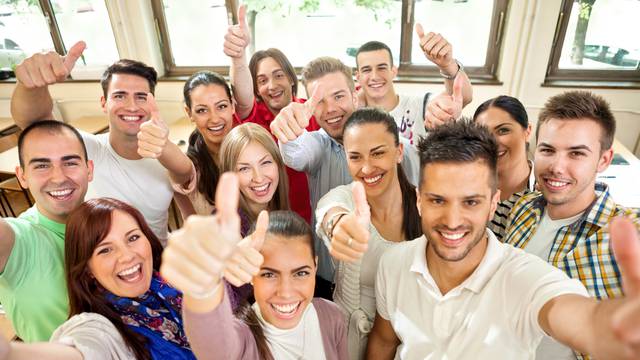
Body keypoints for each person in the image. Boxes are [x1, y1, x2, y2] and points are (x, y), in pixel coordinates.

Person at [366, 120, 640, 360]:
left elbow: (571, 314)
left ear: (494, 203)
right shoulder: (394, 262)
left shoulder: (525, 277)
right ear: (419, 200)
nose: (452, 221)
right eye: (438, 200)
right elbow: (384, 338)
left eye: (471, 202)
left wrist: (604, 328)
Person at [504, 91, 640, 359]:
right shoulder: (521, 208)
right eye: (548, 150)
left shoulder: (627, 233)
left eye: (576, 153)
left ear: (603, 160)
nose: (557, 166)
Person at [11, 43, 193, 242]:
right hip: (103, 264)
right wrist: (32, 85)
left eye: (141, 97)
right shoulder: (85, 149)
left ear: (152, 103)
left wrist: (164, 146)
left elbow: (185, 173)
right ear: (104, 103)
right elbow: (36, 122)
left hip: (157, 261)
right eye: (119, 96)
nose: (132, 107)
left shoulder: (166, 153)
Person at [160, 173, 348, 360]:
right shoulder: (242, 339)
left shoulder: (331, 316)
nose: (286, 292)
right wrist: (203, 283)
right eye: (269, 274)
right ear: (251, 275)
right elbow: (215, 348)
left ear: (315, 267)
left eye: (301, 273)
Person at [270, 56, 420, 287]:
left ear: (355, 96)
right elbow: (295, 153)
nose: (330, 109)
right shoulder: (318, 145)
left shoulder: (395, 145)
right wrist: (287, 131)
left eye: (338, 96)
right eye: (319, 101)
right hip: (331, 282)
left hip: (394, 283)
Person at [0, 197, 195, 359]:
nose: (127, 256)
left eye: (133, 238)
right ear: (87, 269)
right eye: (105, 250)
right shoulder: (101, 327)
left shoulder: (165, 280)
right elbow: (84, 349)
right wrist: (11, 353)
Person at [315, 108, 423, 359]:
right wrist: (340, 227)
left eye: (378, 153)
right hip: (346, 345)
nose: (366, 168)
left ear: (398, 152)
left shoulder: (425, 206)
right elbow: (330, 213)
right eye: (355, 157)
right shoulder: (343, 198)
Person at [223, 4, 318, 223]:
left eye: (278, 75)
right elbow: (243, 96)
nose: (272, 85)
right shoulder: (254, 118)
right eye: (262, 80)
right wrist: (238, 58)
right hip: (274, 221)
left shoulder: (308, 110)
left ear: (291, 78)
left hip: (313, 216)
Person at [0, 121, 93, 342]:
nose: (59, 177)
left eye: (70, 162)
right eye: (42, 166)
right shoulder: (17, 240)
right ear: (22, 176)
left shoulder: (109, 222)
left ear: (89, 169)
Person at [355, 26, 472, 143]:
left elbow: (463, 97)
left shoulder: (421, 105)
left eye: (382, 68)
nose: (375, 76)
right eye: (366, 70)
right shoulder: (352, 116)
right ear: (358, 77)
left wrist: (447, 65)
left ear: (393, 71)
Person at [172, 70, 238, 218]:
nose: (214, 119)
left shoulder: (251, 151)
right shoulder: (189, 169)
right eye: (202, 110)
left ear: (232, 105)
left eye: (221, 106)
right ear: (189, 113)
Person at [473, 95, 534, 240]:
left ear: (528, 131)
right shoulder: (468, 189)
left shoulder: (547, 192)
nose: (492, 142)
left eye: (503, 130)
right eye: (483, 133)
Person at [219, 122, 290, 236]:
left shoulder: (279, 212)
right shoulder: (227, 228)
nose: (258, 178)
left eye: (265, 163)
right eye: (244, 168)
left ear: (278, 163)